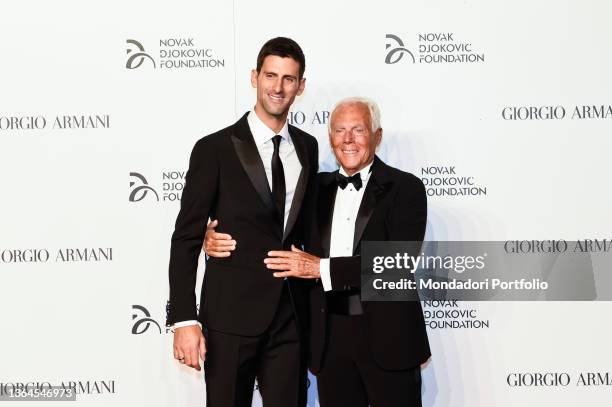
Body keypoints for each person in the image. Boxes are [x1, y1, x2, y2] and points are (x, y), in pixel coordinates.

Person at [205, 97, 430, 407]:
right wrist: (212, 236)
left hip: (388, 336)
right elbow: (269, 228)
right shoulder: (314, 190)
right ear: (330, 137)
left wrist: (321, 269)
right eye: (339, 130)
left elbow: (397, 264)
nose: (348, 139)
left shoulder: (406, 189)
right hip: (330, 340)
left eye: (358, 130)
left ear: (377, 136)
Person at [166, 37, 318, 407]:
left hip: (291, 318)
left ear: (301, 86)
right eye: (270, 75)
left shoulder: (309, 147)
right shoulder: (214, 148)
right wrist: (185, 319)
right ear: (254, 77)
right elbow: (186, 237)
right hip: (229, 319)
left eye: (288, 78)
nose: (278, 87)